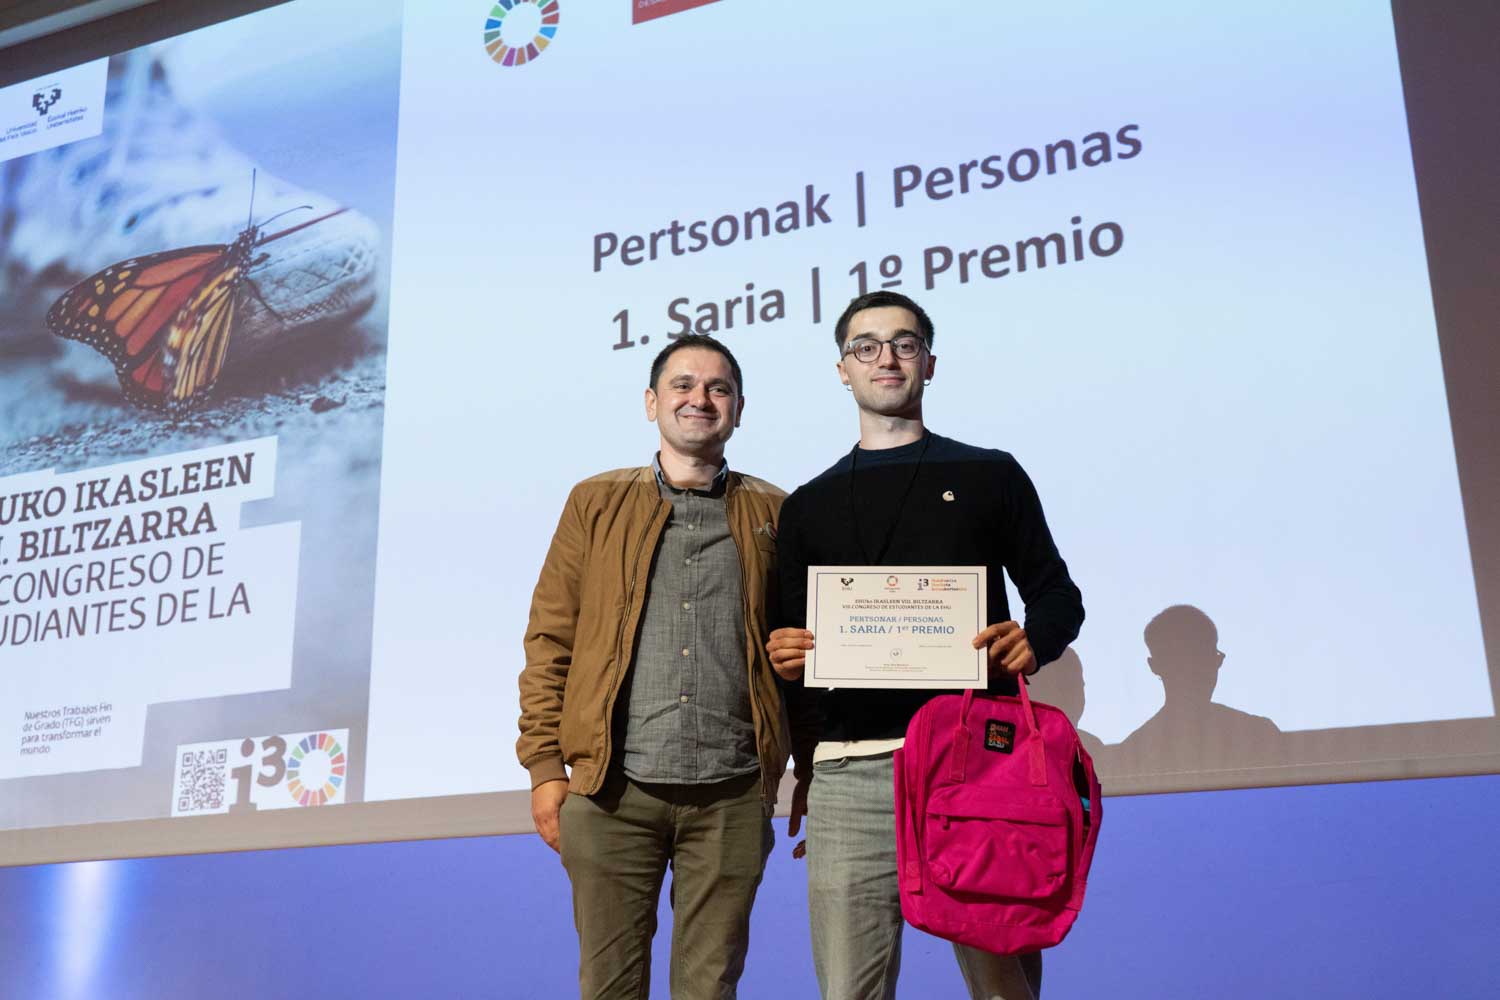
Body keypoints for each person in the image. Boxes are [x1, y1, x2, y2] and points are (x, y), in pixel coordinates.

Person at [767, 291, 1085, 1000]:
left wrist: (1032, 639)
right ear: (842, 369)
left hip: (979, 766)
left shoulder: (989, 474)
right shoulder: (807, 506)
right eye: (866, 346)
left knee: (1003, 986)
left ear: (929, 363)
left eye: (904, 343)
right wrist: (786, 655)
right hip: (851, 774)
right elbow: (794, 651)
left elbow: (1058, 595)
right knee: (849, 991)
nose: (886, 358)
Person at [517, 334, 789, 999]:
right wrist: (545, 767)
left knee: (709, 988)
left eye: (719, 388)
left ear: (739, 408)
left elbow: (796, 655)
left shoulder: (776, 512)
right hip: (613, 791)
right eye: (683, 385)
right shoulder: (594, 502)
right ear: (651, 403)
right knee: (609, 987)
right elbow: (551, 639)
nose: (701, 399)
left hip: (731, 791)